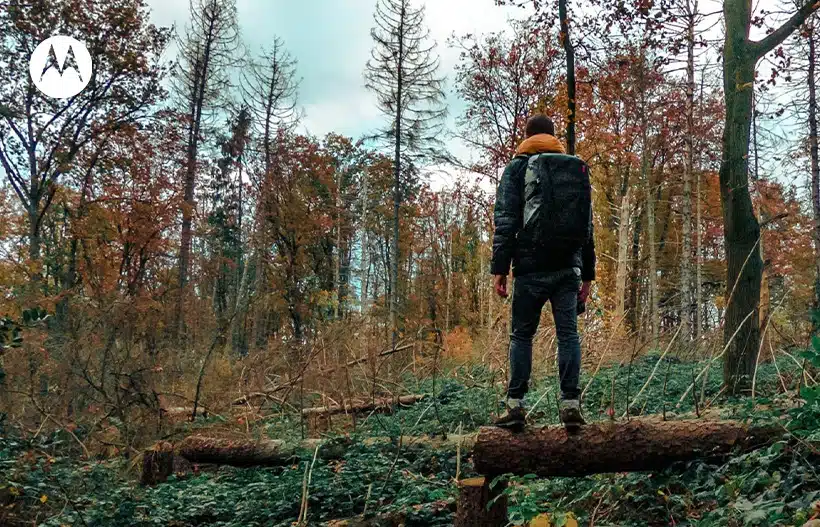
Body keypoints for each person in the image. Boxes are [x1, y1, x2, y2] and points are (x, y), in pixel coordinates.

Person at [490, 114, 596, 430]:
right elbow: (587, 225)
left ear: (527, 136)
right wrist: (587, 275)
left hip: (530, 268)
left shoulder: (517, 168)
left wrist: (500, 268)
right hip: (567, 268)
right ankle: (571, 404)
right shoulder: (573, 168)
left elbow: (506, 220)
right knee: (568, 335)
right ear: (553, 137)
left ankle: (516, 406)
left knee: (522, 335)